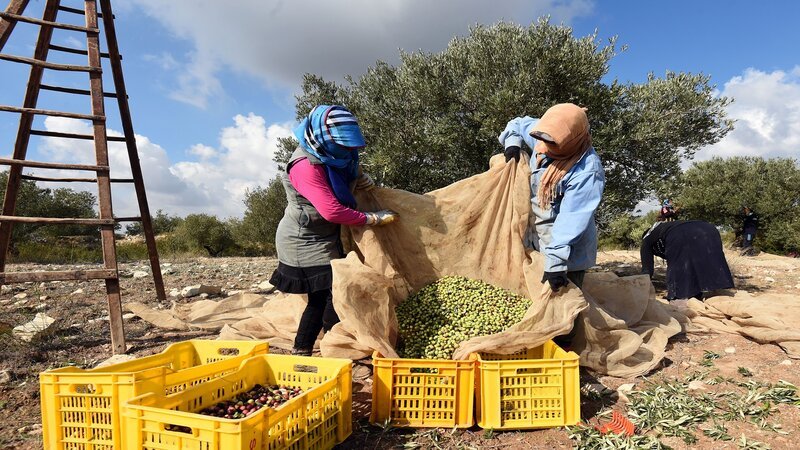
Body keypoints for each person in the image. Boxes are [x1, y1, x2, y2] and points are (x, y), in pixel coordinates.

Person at [269, 105, 397, 356]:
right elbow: (332, 211)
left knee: (335, 292)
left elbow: (348, 166)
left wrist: (361, 178)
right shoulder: (305, 166)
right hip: (304, 240)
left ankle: (334, 342)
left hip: (327, 235)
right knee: (324, 296)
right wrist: (372, 219)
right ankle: (304, 349)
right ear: (323, 138)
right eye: (344, 146)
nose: (349, 151)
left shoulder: (336, 154)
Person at [499, 103, 605, 292]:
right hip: (537, 240)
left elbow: (571, 220)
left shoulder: (587, 171)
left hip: (568, 254)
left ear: (572, 140)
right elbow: (517, 124)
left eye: (552, 143)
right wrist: (512, 145)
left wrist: (555, 265)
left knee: (565, 307)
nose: (545, 147)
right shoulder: (546, 135)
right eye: (542, 140)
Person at [640, 220, 734, 301]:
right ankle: (716, 289)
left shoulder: (646, 240)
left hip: (680, 233)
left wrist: (641, 288)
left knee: (678, 268)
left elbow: (646, 269)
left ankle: (680, 296)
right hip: (709, 229)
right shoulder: (664, 227)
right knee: (710, 259)